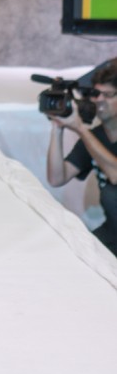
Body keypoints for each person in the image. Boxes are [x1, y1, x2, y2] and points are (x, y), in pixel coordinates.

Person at [47, 59, 117, 255]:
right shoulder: (94, 137)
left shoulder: (88, 136)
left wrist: (80, 128)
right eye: (96, 94)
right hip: (113, 231)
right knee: (71, 256)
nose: (98, 100)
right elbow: (57, 178)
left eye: (108, 95)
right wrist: (57, 127)